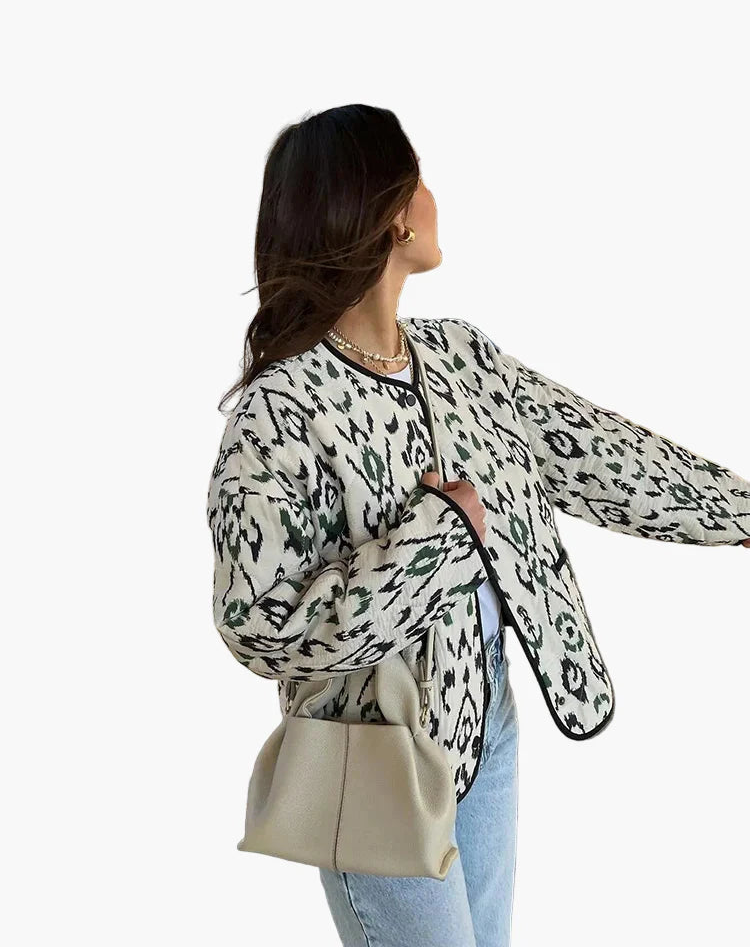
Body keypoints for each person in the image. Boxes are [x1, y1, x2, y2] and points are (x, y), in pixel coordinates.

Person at [206, 103, 750, 947]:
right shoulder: (283, 407)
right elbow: (260, 623)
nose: (433, 196)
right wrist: (438, 538)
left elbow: (593, 451)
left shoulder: (461, 357)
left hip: (486, 719)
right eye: (418, 178)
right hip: (377, 755)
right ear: (390, 213)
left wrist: (738, 512)